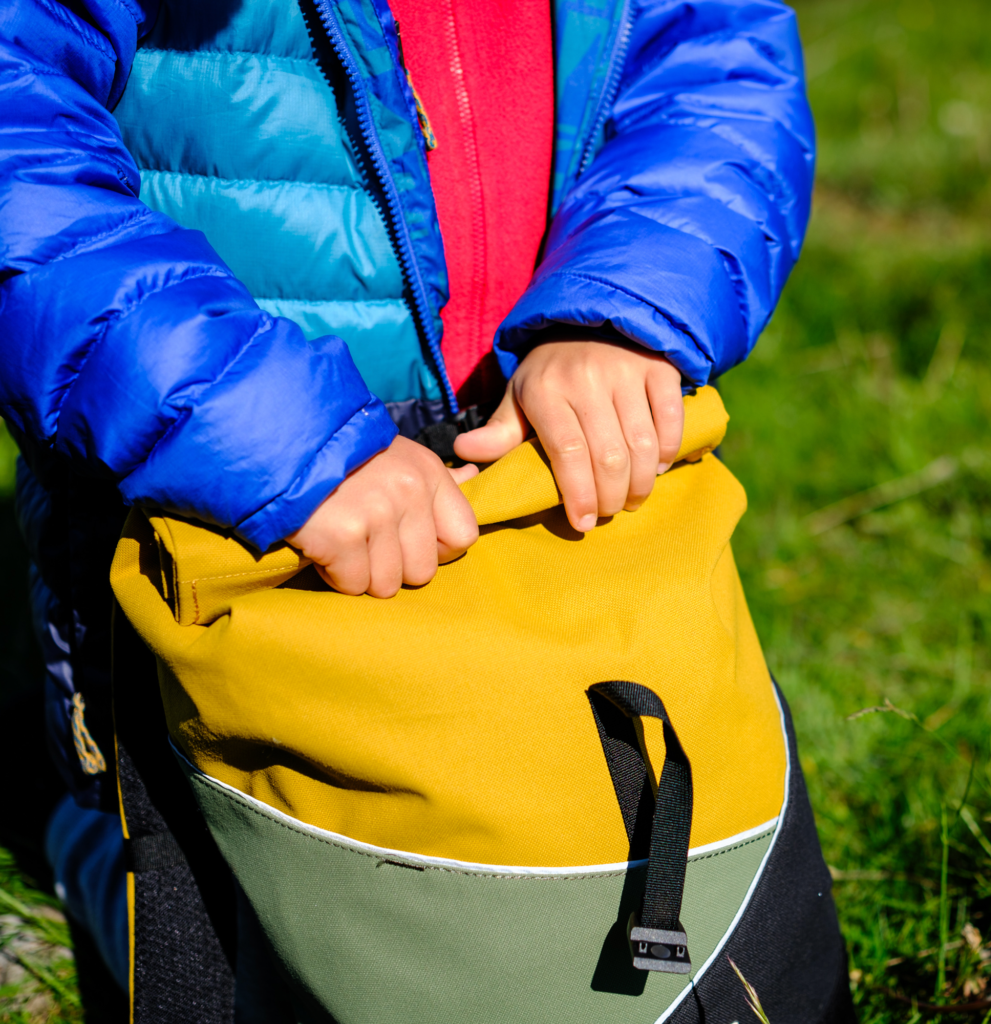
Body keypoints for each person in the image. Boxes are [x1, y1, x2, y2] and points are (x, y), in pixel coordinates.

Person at [0, 0, 817, 1007]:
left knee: (592, 844)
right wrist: (260, 431)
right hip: (229, 494)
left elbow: (714, 51)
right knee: (225, 921)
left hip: (547, 445)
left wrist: (626, 307)